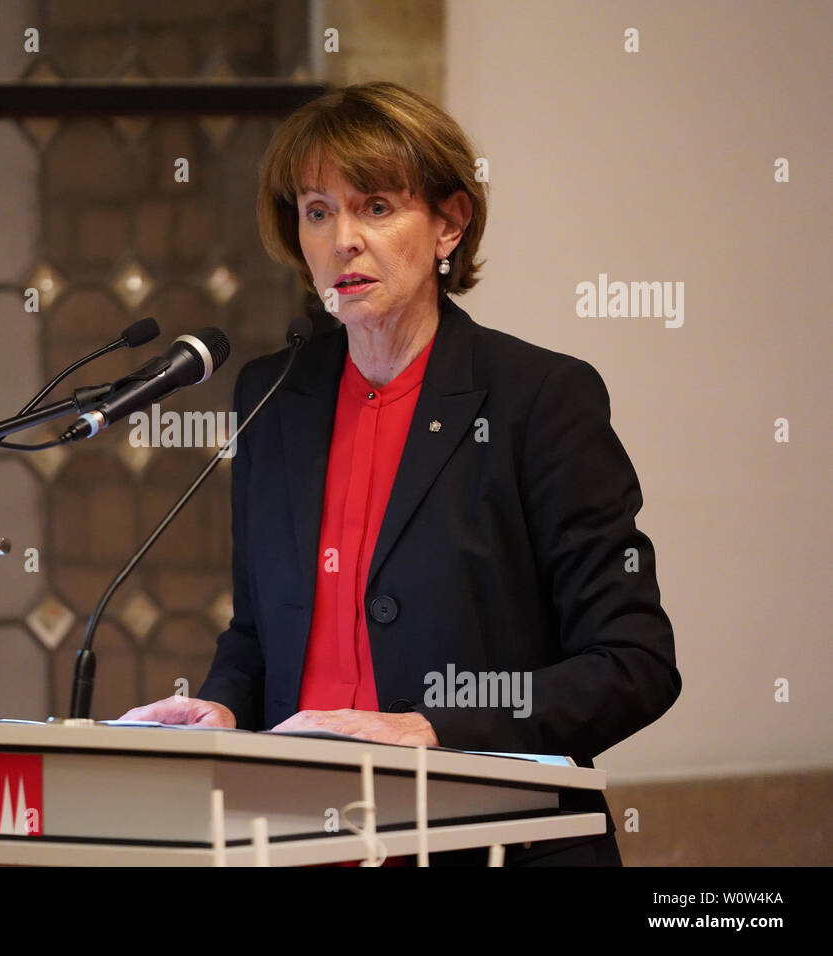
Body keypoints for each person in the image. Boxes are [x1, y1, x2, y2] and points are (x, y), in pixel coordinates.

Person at [120, 81, 681, 865]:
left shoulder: (539, 399)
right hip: (296, 841)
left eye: (376, 207)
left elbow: (633, 664)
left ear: (449, 223)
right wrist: (219, 705)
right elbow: (259, 632)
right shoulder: (274, 396)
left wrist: (432, 731)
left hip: (490, 841)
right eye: (317, 212)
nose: (342, 239)